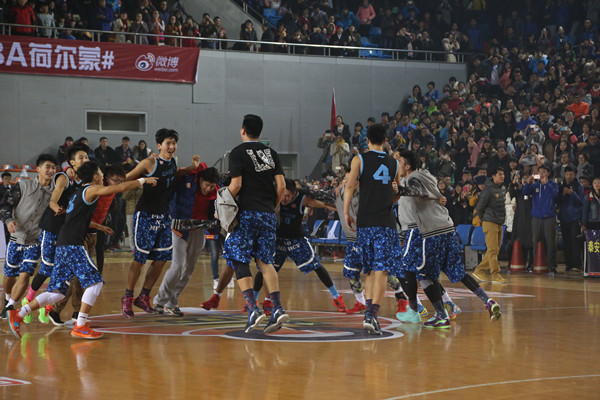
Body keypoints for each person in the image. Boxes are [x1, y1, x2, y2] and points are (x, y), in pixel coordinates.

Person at [7, 161, 158, 340]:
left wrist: (99, 227)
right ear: (95, 176)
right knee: (96, 282)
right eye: (100, 173)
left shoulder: (78, 193)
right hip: (72, 245)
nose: (102, 175)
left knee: (56, 293)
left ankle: (19, 314)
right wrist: (143, 181)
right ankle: (81, 324)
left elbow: (76, 219)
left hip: (63, 244)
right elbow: (117, 188)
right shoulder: (90, 189)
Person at [394, 150, 502, 327]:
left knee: (422, 274)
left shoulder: (413, 179)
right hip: (448, 229)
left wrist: (401, 190)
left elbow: (418, 191)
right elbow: (434, 195)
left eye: (399, 161)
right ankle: (487, 300)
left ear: (407, 166)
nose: (397, 164)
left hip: (428, 231)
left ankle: (428, 312)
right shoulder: (427, 176)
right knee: (456, 271)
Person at [121, 129, 199, 318]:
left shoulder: (174, 161)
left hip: (164, 215)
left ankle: (144, 296)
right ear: (159, 145)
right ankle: (128, 298)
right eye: (168, 143)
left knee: (161, 259)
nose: (171, 147)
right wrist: (143, 180)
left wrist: (192, 167)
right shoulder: (149, 162)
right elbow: (126, 178)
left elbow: (176, 174)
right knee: (139, 259)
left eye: (174, 143)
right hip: (145, 215)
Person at [222, 114, 289, 334]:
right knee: (265, 261)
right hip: (268, 213)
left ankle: (252, 309)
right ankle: (277, 308)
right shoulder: (271, 153)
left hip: (246, 213)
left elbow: (236, 184)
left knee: (237, 258)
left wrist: (221, 206)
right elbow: (281, 186)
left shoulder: (238, 152)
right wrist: (272, 206)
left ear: (243, 130)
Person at [252, 179, 347, 314]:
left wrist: (344, 209)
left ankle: (336, 297)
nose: (284, 198)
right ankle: (254, 300)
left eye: (287, 196)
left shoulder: (302, 199)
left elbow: (324, 204)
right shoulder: (273, 196)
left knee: (316, 266)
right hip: (277, 239)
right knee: (264, 269)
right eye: (283, 195)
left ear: (294, 194)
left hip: (296, 239)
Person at [344, 123, 401, 335]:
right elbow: (397, 193)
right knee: (381, 271)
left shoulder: (359, 159)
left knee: (368, 271)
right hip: (385, 222)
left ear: (367, 140)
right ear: (385, 141)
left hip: (365, 222)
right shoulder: (394, 163)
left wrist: (346, 212)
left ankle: (368, 312)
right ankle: (371, 315)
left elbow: (349, 185)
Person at [28, 144, 89, 325]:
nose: (85, 160)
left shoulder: (83, 181)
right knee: (47, 268)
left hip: (66, 231)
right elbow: (53, 199)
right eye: (81, 157)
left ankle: (47, 308)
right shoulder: (64, 177)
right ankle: (27, 300)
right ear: (71, 162)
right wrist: (56, 208)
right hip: (51, 227)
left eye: (87, 157)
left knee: (63, 272)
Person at [153, 165, 219, 316]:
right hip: (179, 229)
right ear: (200, 180)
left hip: (199, 230)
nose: (208, 189)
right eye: (206, 185)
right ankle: (160, 301)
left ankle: (172, 301)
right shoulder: (186, 181)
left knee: (188, 269)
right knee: (177, 266)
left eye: (212, 186)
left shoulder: (217, 192)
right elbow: (173, 178)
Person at [0, 154, 56, 320]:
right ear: (38, 169)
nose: (51, 170)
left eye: (54, 167)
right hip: (16, 237)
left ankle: (10, 306)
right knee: (10, 274)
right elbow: (4, 205)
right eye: (47, 166)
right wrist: (8, 220)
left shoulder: (56, 192)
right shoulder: (22, 186)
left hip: (36, 240)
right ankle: (7, 299)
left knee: (25, 274)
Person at [472, 167, 507, 283]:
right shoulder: (488, 190)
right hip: (489, 221)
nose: (502, 176)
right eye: (500, 174)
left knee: (495, 250)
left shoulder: (502, 188)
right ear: (493, 176)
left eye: (503, 174)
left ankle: (479, 270)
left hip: (499, 222)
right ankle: (495, 274)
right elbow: (479, 207)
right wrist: (484, 219)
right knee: (492, 250)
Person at [523, 164, 559, 274]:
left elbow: (555, 194)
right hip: (536, 217)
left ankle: (551, 266)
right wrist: (528, 183)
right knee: (536, 242)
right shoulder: (535, 185)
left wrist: (546, 183)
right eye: (540, 172)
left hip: (549, 217)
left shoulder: (553, 184)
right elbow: (525, 192)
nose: (542, 174)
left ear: (548, 173)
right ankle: (537, 264)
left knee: (550, 242)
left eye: (544, 171)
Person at [557, 167, 584, 272]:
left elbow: (581, 202)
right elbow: (558, 202)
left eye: (571, 174)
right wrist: (563, 194)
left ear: (575, 175)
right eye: (567, 174)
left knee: (575, 242)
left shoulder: (578, 186)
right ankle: (568, 264)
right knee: (566, 242)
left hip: (575, 217)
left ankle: (577, 264)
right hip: (564, 218)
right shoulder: (561, 186)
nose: (568, 176)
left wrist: (572, 193)